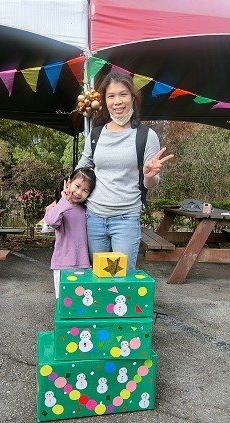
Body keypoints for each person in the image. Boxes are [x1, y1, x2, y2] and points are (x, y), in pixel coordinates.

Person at [75, 71, 174, 272]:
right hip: (94, 217)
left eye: (123, 94)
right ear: (104, 101)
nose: (117, 101)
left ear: (133, 98)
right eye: (111, 96)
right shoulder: (95, 134)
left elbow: (151, 182)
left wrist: (149, 176)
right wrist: (61, 197)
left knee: (123, 278)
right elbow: (81, 169)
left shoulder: (146, 136)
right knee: (98, 277)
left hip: (126, 219)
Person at [44, 167, 97, 299]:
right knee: (63, 299)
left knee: (80, 300)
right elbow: (51, 221)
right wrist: (63, 200)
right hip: (63, 264)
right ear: (68, 182)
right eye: (77, 186)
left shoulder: (86, 210)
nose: (79, 193)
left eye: (85, 190)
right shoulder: (59, 207)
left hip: (83, 263)